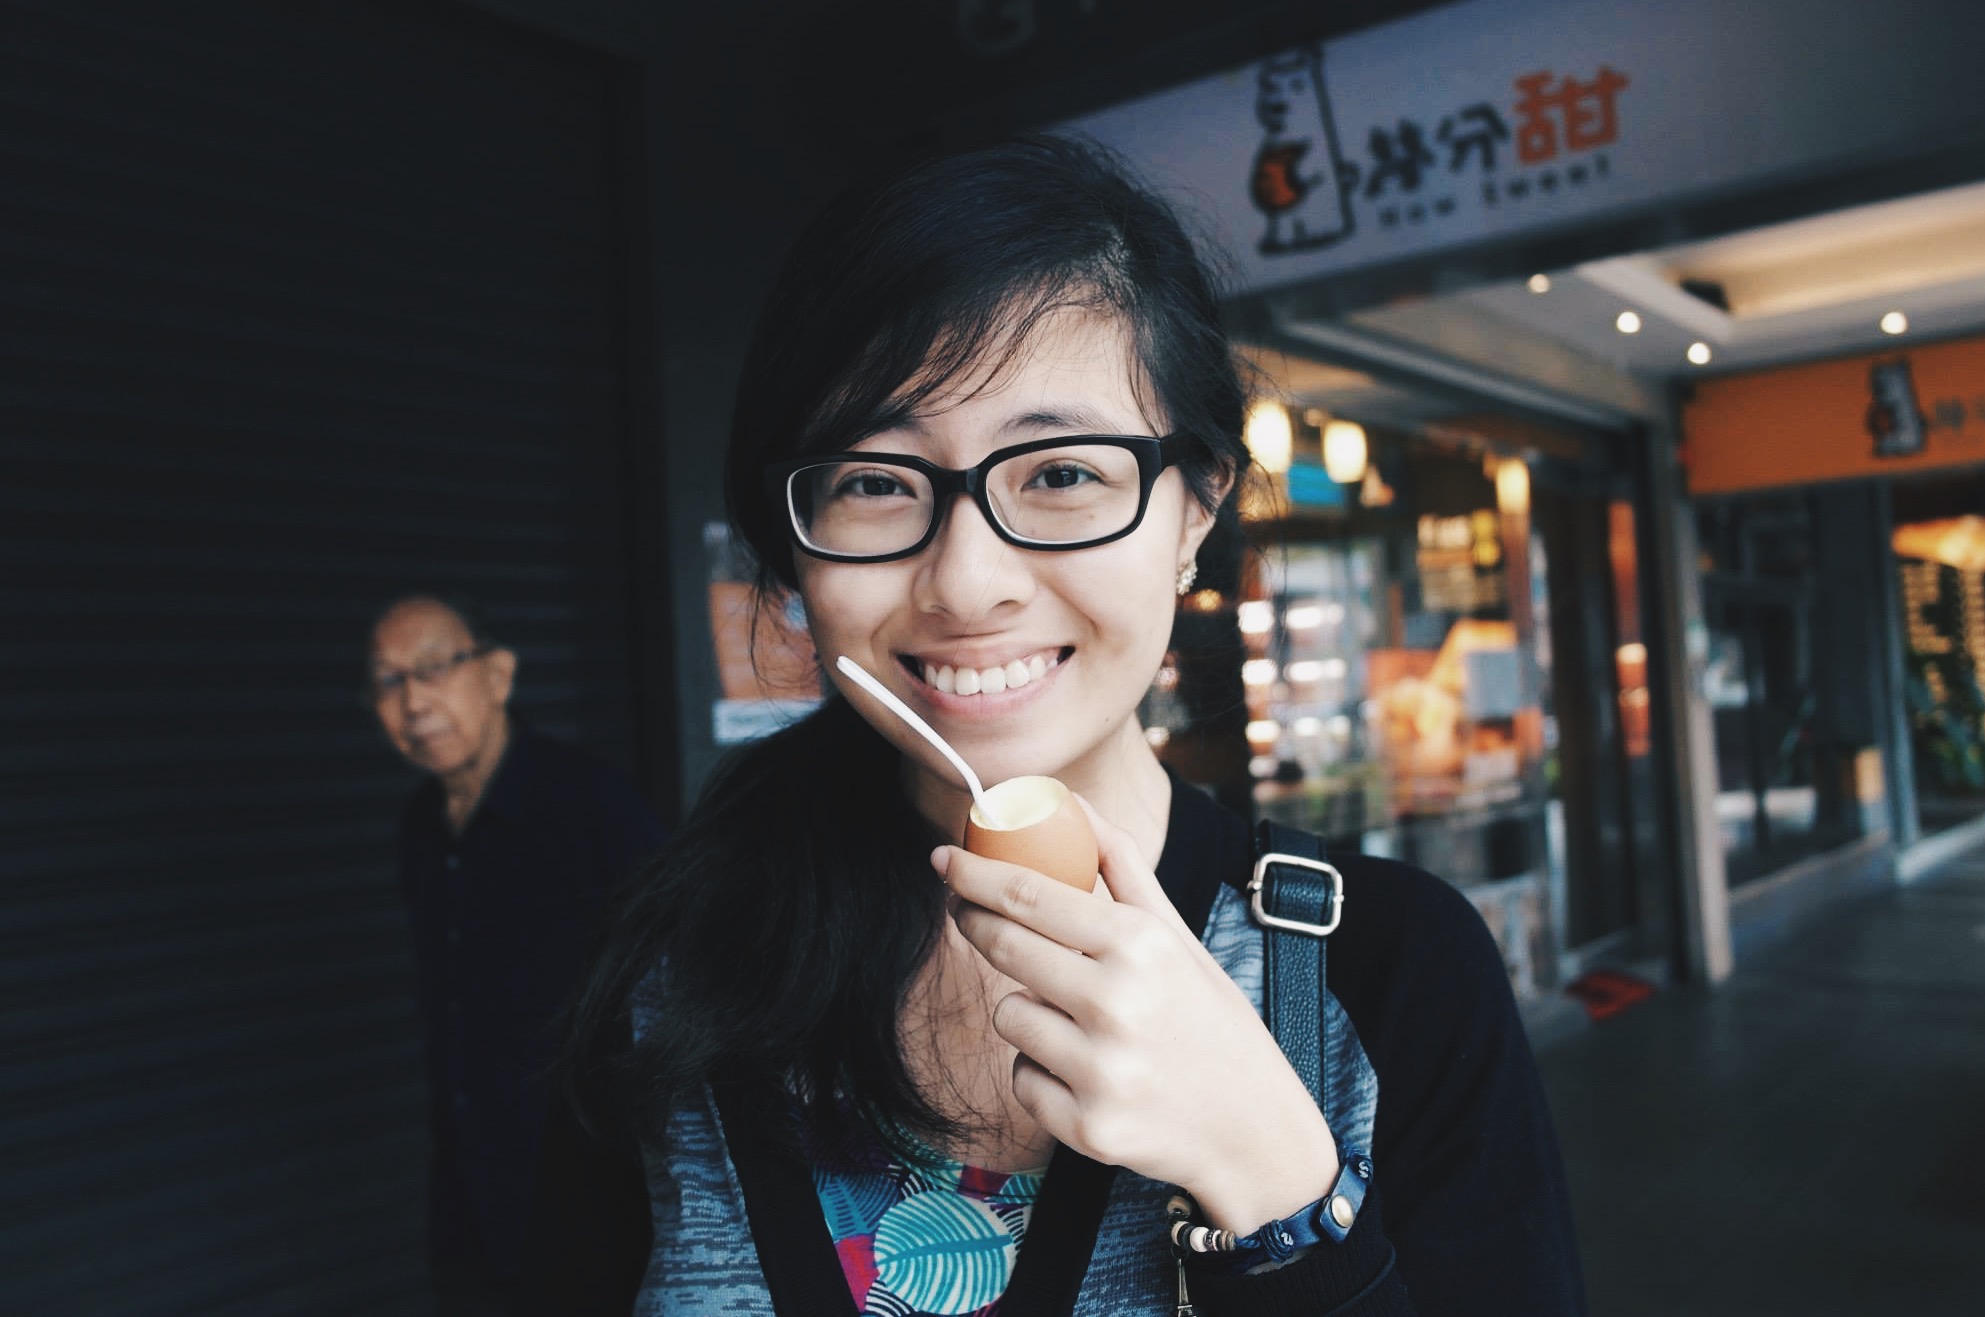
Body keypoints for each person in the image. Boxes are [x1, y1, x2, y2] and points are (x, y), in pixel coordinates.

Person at [519, 134, 1584, 1315]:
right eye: (874, 482)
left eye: (1060, 474)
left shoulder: (1391, 971)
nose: (967, 584)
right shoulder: (674, 972)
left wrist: (1275, 1185)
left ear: (1194, 508)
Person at [367, 592, 668, 1315]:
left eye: (433, 668)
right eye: (388, 680)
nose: (413, 701)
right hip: (471, 1191)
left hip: (593, 1198)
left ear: (498, 674)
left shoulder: (592, 806)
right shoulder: (421, 827)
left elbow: (678, 984)